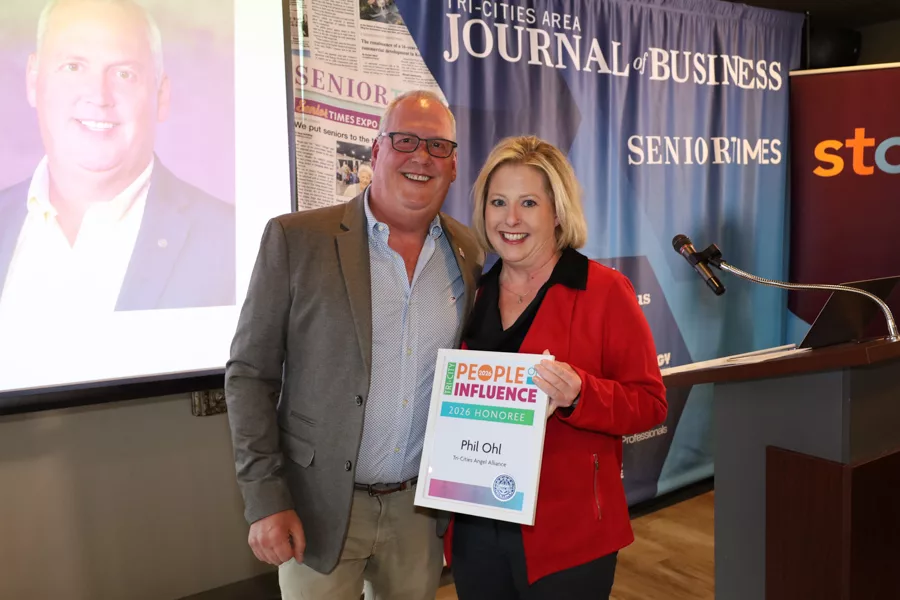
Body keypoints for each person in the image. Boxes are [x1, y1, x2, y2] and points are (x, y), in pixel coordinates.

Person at [224, 89, 484, 600]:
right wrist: (265, 498)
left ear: (454, 167)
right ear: (376, 152)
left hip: (419, 511)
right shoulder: (296, 239)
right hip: (316, 507)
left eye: (438, 147)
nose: (421, 157)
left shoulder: (469, 251)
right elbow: (249, 375)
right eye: (404, 140)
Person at [445, 135, 668, 599]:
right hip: (475, 526)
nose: (511, 219)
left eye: (528, 202)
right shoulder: (471, 293)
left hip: (568, 535)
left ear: (558, 212)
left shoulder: (604, 291)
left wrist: (580, 394)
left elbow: (649, 404)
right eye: (498, 202)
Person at [0, 0, 234, 315]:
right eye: (73, 67)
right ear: (33, 79)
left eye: (124, 74)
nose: (98, 95)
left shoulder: (230, 242)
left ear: (161, 95)